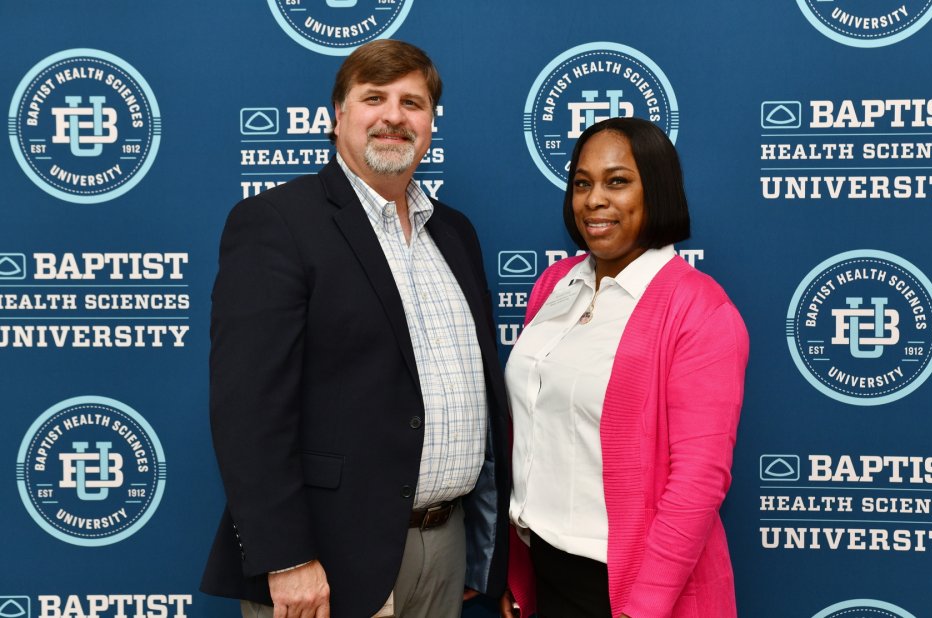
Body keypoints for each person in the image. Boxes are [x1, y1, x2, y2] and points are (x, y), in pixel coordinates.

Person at [201, 39, 509, 618]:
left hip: (446, 547)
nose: (394, 116)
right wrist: (286, 557)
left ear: (431, 124)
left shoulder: (455, 233)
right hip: (328, 558)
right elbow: (248, 410)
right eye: (374, 98)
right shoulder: (276, 223)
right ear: (337, 115)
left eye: (413, 103)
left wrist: (478, 548)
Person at [500, 117, 749, 618]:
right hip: (545, 571)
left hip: (629, 590)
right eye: (582, 183)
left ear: (655, 190)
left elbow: (698, 482)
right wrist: (518, 574)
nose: (594, 199)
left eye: (617, 181)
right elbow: (533, 439)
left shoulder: (701, 310)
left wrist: (642, 609)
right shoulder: (554, 284)